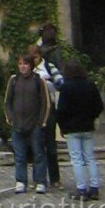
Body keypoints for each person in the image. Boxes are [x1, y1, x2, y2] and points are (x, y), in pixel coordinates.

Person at [54, 59, 104, 200]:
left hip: (72, 128)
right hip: (87, 126)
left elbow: (62, 110)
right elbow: (99, 106)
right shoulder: (90, 85)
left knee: (76, 159)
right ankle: (94, 188)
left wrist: (62, 125)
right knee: (90, 158)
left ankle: (81, 189)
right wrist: (91, 117)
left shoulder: (66, 87)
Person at [4, 51, 50, 192]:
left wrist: (42, 121)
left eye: (25, 64)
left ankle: (40, 181)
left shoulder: (38, 80)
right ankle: (21, 181)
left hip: (34, 124)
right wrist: (10, 117)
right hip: (17, 124)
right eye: (20, 64)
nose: (22, 67)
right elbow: (7, 101)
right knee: (20, 155)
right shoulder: (14, 80)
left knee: (38, 154)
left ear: (30, 65)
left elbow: (45, 103)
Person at [32, 28, 65, 189]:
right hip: (34, 111)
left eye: (36, 56)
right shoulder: (28, 70)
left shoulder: (49, 67)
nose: (34, 59)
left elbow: (60, 83)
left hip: (49, 109)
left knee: (51, 146)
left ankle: (54, 178)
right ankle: (39, 179)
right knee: (36, 146)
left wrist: (47, 83)